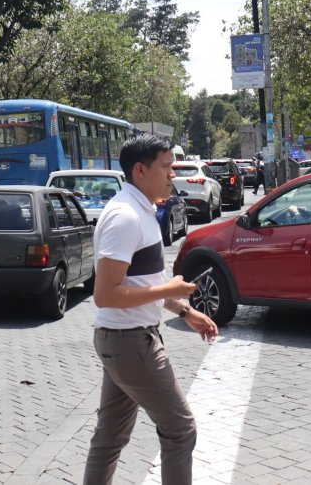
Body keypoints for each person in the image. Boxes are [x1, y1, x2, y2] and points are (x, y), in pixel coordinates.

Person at [84, 133, 218, 485]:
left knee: (110, 437)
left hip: (125, 341)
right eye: (167, 166)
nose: (174, 174)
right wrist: (170, 289)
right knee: (180, 429)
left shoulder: (140, 211)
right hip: (129, 343)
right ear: (140, 171)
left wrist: (186, 311)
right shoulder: (124, 216)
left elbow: (143, 285)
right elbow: (106, 294)